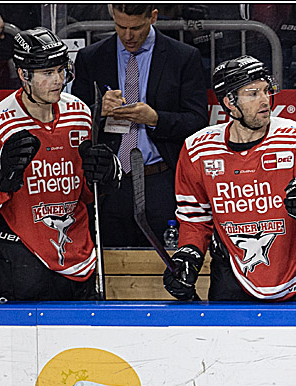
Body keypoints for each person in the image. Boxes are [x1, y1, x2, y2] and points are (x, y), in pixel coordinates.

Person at [0, 28, 122, 301]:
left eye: (61, 70)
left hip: (78, 255)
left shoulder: (79, 113)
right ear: (24, 75)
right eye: (47, 73)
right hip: (20, 257)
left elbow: (85, 192)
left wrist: (106, 176)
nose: (58, 80)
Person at [164, 56, 296, 302]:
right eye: (252, 94)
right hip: (229, 277)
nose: (265, 100)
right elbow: (194, 218)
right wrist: (188, 255)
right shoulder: (197, 149)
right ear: (230, 102)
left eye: (266, 90)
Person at [71, 4, 208, 248]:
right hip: (109, 183)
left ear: (153, 17)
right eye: (120, 26)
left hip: (160, 180)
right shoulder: (91, 58)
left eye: (135, 28)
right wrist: (98, 110)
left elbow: (197, 121)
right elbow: (73, 121)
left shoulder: (183, 57)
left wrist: (155, 119)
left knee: (166, 261)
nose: (127, 36)